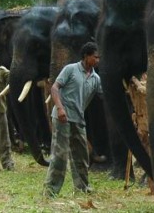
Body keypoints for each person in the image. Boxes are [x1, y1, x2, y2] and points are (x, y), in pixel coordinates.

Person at [43, 42, 102, 197]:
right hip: (62, 117)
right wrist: (60, 108)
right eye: (95, 57)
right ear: (86, 56)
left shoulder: (96, 78)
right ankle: (51, 190)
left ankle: (82, 187)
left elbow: (105, 96)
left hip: (78, 119)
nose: (98, 60)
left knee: (82, 155)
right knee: (59, 155)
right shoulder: (71, 69)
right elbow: (54, 88)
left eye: (99, 58)